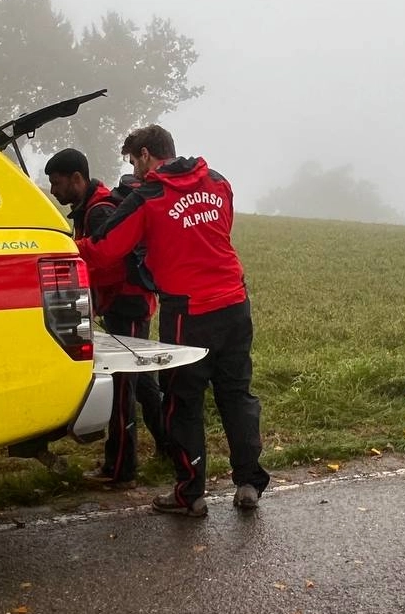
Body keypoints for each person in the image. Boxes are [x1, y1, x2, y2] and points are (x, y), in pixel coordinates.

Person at [77, 125, 271, 518]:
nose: (136, 171)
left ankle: (189, 493)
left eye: (134, 161)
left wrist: (64, 248)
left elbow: (105, 249)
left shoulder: (148, 197)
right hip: (235, 301)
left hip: (188, 311)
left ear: (146, 154)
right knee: (237, 394)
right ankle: (249, 482)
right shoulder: (218, 182)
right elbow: (220, 230)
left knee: (183, 401)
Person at [44, 148, 167, 489]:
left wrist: (95, 302)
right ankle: (170, 448)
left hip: (125, 306)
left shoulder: (99, 211)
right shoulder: (92, 206)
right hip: (132, 304)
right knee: (143, 384)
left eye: (57, 183)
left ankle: (120, 468)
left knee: (122, 388)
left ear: (77, 179)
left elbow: (109, 267)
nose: (53, 190)